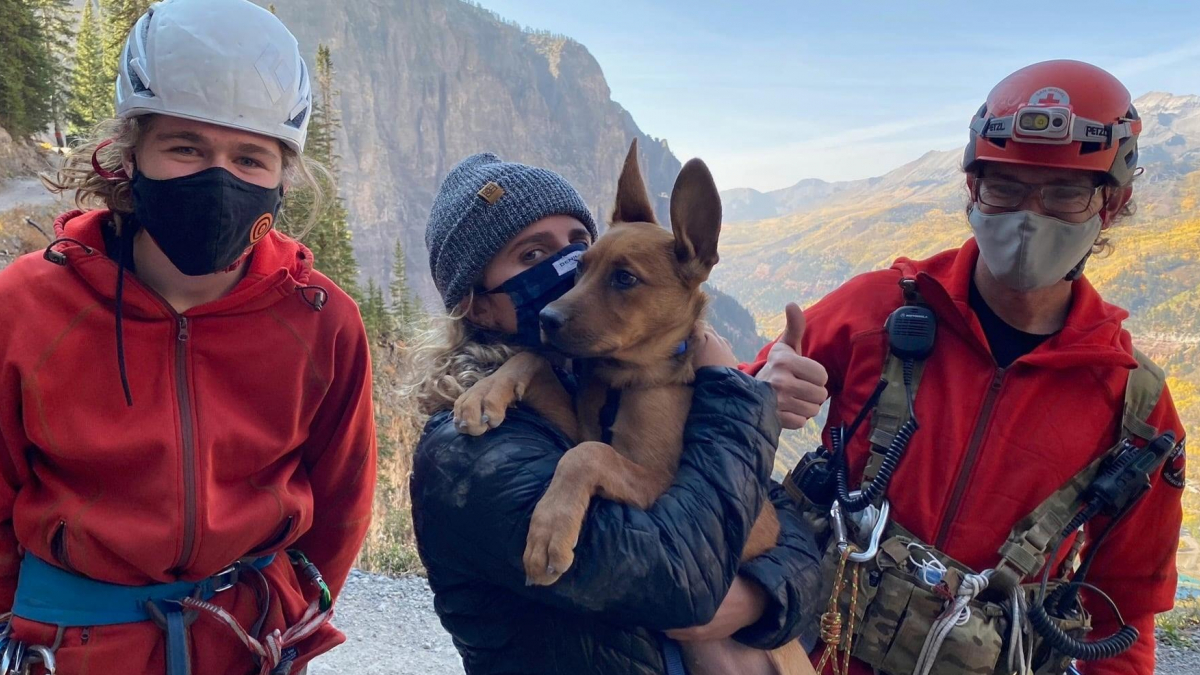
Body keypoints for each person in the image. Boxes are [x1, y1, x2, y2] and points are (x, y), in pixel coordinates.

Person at [748, 60, 1186, 675]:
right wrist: (756, 398)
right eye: (1005, 185)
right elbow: (710, 415)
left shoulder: (1134, 409)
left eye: (1064, 191)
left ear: (1112, 203)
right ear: (973, 189)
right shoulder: (876, 309)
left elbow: (1124, 614)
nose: (1030, 217)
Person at [0, 1, 376, 673]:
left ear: (284, 178)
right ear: (130, 154)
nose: (219, 178)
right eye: (185, 147)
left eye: (250, 158)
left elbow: (341, 510)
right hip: (71, 647)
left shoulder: (322, 323)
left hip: (248, 645)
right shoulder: (25, 306)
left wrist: (288, 620)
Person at [407, 152, 825, 674]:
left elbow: (799, 552)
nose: (566, 283)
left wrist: (759, 597)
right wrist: (737, 403)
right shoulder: (467, 454)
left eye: (580, 248)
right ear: (478, 303)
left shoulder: (601, 374)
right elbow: (678, 582)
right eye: (533, 255)